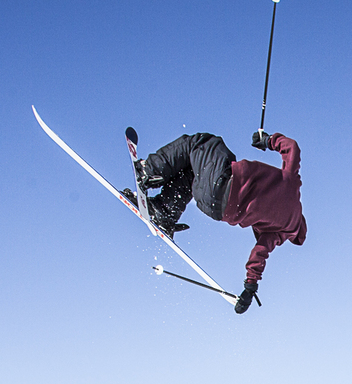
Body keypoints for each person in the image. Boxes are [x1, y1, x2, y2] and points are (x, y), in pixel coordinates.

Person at [127, 129, 306, 314]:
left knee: (202, 142)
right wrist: (250, 288)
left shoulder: (293, 186)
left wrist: (268, 140)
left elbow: (292, 147)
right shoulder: (278, 233)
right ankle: (164, 210)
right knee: (194, 170)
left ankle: (148, 170)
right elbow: (259, 254)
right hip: (215, 208)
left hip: (225, 181)